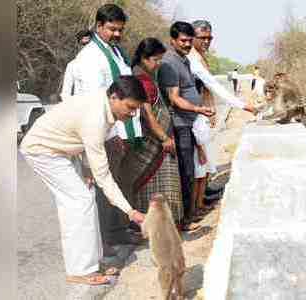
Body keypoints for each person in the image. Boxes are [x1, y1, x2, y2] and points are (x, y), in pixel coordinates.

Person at [20, 76, 147, 286]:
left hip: (63, 150)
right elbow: (104, 176)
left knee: (86, 197)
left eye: (136, 109)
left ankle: (93, 262)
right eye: (130, 107)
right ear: (114, 97)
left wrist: (87, 170)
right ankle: (80, 271)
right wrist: (130, 211)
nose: (132, 113)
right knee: (79, 202)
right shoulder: (95, 118)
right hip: (42, 150)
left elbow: (85, 142)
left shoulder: (104, 105)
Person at [71, 4, 142, 247]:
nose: (117, 34)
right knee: (104, 185)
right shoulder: (90, 58)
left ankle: (119, 231)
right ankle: (108, 241)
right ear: (98, 26)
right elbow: (95, 103)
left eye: (120, 30)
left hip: (119, 129)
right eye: (112, 29)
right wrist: (111, 135)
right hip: (103, 131)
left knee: (121, 182)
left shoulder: (116, 52)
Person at [187, 20, 254, 216]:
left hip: (203, 114)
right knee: (199, 164)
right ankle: (195, 207)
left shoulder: (200, 56)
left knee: (205, 161)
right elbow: (211, 85)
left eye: (209, 38)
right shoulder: (192, 58)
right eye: (202, 38)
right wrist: (242, 105)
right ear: (192, 38)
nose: (207, 41)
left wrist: (211, 109)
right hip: (193, 116)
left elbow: (207, 89)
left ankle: (201, 200)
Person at [157, 21, 214, 230]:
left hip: (190, 123)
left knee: (194, 169)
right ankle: (184, 219)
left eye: (190, 41)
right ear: (173, 40)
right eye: (183, 41)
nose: (187, 44)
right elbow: (174, 98)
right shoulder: (169, 63)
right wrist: (199, 110)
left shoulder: (185, 60)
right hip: (180, 124)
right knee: (186, 172)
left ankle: (190, 214)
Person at [130, 38, 184, 225]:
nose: (158, 64)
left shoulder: (146, 75)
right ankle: (155, 225)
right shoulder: (140, 79)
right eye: (155, 59)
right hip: (153, 141)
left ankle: (164, 224)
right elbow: (147, 115)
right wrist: (163, 137)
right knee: (155, 184)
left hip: (161, 137)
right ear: (144, 58)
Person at [61, 30, 92, 98]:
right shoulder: (72, 65)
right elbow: (66, 92)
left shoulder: (102, 61)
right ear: (79, 44)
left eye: (88, 44)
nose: (86, 47)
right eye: (83, 44)